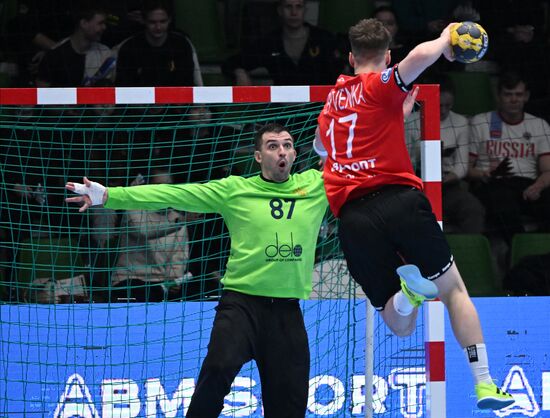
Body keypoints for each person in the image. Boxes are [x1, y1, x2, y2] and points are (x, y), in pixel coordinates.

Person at [314, 18, 514, 410]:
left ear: (350, 57)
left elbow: (325, 150)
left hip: (353, 218)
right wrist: (444, 38)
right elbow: (419, 59)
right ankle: (485, 383)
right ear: (387, 57)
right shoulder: (382, 84)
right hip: (400, 202)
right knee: (454, 290)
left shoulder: (332, 103)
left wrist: (392, 118)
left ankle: (407, 295)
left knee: (399, 324)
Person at [66, 123, 329, 417]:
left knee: (290, 405)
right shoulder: (235, 189)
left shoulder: (317, 185)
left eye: (287, 145)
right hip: (241, 306)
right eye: (272, 146)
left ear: (294, 154)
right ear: (257, 156)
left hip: (286, 311)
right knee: (217, 369)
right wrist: (109, 196)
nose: (281, 151)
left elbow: (366, 168)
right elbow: (174, 194)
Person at [468, 72, 550, 242]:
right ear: (498, 96)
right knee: (503, 203)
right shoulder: (481, 122)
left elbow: (547, 170)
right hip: (492, 183)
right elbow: (466, 168)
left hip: (528, 184)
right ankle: (519, 249)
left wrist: (538, 187)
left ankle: (539, 248)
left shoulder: (539, 124)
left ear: (526, 96)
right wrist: (482, 174)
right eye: (508, 94)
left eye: (518, 95)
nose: (514, 100)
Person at [109, 169, 191, 302]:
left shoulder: (177, 219)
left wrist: (174, 280)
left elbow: (179, 257)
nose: (164, 190)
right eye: (158, 185)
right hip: (129, 279)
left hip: (161, 284)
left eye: (168, 185)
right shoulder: (134, 209)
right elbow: (144, 231)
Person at [222, 0, 341, 86]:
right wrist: (239, 72)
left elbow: (340, 71)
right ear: (280, 10)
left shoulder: (323, 38)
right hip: (283, 111)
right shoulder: (270, 42)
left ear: (305, 9)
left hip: (319, 108)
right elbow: (231, 62)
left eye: (298, 6)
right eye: (288, 7)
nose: (294, 12)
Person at [115, 0, 203, 87]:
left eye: (163, 21)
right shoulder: (129, 48)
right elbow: (124, 87)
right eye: (152, 22)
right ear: (144, 21)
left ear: (170, 20)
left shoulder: (182, 45)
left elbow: (187, 84)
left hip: (175, 99)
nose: (158, 27)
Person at [36, 2, 115, 87]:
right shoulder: (55, 55)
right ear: (84, 23)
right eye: (100, 23)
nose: (104, 27)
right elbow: (41, 94)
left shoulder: (105, 54)